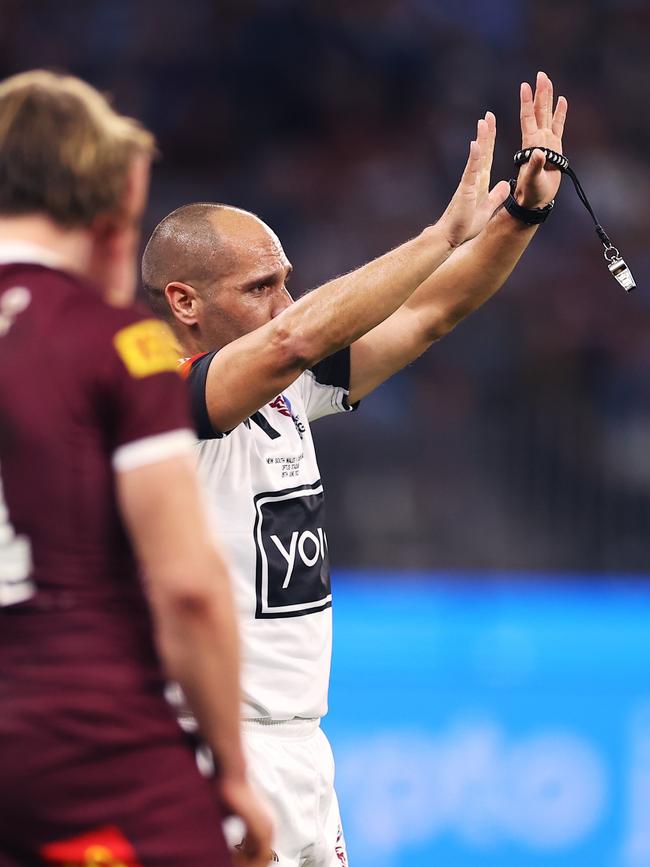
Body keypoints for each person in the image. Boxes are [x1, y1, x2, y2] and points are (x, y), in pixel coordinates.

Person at [141, 71, 567, 866]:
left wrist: (523, 211)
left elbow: (431, 312)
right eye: (260, 286)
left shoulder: (288, 391)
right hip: (207, 753)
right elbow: (292, 340)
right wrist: (441, 234)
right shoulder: (168, 398)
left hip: (302, 750)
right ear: (184, 300)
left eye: (286, 281)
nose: (284, 301)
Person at [0, 70, 272, 867]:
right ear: (103, 199)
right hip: (79, 723)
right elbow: (187, 586)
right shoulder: (120, 341)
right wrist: (230, 768)